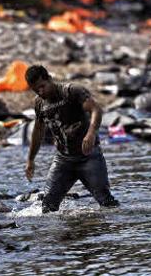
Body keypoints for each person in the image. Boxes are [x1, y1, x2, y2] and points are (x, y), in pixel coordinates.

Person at [24, 65, 119, 213]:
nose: (41, 92)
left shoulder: (72, 91)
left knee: (107, 203)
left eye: (42, 86)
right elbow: (38, 130)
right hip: (63, 160)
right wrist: (30, 159)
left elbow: (96, 110)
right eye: (36, 90)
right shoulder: (39, 103)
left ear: (50, 79)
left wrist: (91, 133)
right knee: (47, 207)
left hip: (88, 157)